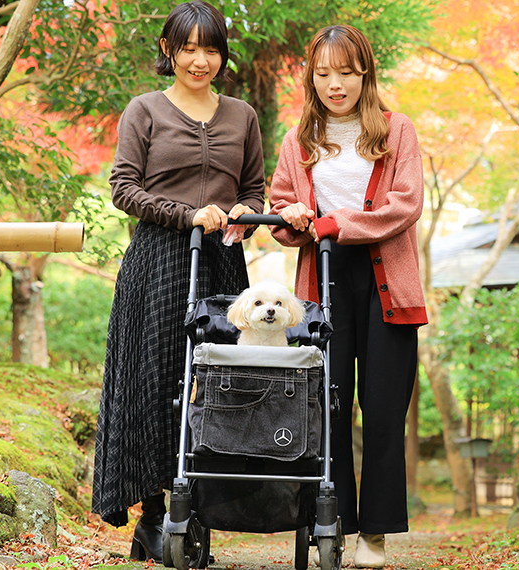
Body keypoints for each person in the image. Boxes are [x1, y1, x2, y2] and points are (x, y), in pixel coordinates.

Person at [91, 1, 266, 563]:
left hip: (221, 265)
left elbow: (257, 190)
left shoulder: (242, 115)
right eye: (187, 48)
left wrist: (241, 212)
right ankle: (152, 515)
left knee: (216, 385)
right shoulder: (144, 109)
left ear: (221, 54)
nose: (199, 60)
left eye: (210, 48)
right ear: (169, 51)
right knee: (156, 383)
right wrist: (184, 214)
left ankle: (200, 513)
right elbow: (123, 189)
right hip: (158, 262)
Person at [269, 24, 427, 569]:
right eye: (324, 73)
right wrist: (294, 219)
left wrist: (338, 222)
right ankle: (333, 522)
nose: (335, 84)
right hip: (322, 283)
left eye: (347, 72)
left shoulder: (396, 131)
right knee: (327, 408)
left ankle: (375, 535)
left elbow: (405, 206)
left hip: (388, 283)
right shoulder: (298, 140)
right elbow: (285, 215)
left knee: (382, 410)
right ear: (312, 78)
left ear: (366, 74)